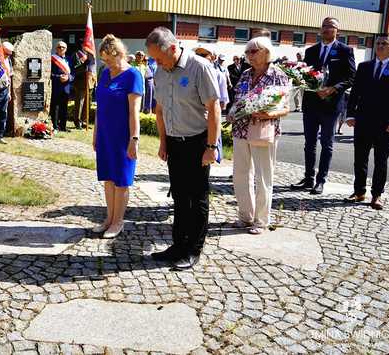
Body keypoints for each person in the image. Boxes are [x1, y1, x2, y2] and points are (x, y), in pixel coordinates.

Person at [147, 27, 221, 270]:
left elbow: (214, 109)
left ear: (172, 48)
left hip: (197, 142)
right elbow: (159, 110)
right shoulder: (161, 70)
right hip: (174, 143)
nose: (155, 63)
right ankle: (178, 245)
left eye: (158, 57)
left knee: (197, 198)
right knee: (179, 197)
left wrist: (211, 146)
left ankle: (193, 249)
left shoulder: (199, 67)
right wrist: (163, 142)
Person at [228, 37, 291, 234]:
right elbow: (238, 99)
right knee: (240, 174)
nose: (249, 56)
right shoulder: (246, 74)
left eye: (253, 51)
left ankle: (261, 221)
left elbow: (286, 108)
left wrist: (268, 114)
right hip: (240, 129)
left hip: (263, 130)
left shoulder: (278, 75)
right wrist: (232, 112)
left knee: (263, 177)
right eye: (247, 52)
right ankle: (245, 216)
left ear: (266, 52)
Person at [291, 17, 355, 195]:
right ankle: (308, 178)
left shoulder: (345, 51)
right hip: (311, 104)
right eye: (324, 26)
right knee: (309, 143)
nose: (326, 29)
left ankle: (321, 181)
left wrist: (333, 89)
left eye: (331, 26)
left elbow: (351, 77)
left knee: (327, 144)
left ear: (337, 31)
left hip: (331, 105)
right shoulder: (311, 50)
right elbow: (304, 75)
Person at [92, 34, 144, 239]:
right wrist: (96, 133)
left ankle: (118, 222)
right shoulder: (106, 74)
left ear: (119, 54)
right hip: (105, 134)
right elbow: (100, 108)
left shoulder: (133, 75)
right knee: (108, 178)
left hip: (123, 136)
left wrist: (134, 139)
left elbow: (134, 112)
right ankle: (108, 218)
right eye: (103, 60)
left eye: (108, 59)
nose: (106, 64)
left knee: (121, 180)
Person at [345, 34, 389, 210]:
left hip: (385, 124)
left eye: (385, 43)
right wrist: (350, 115)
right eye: (378, 43)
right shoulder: (364, 66)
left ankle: (377, 195)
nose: (381, 46)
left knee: (381, 161)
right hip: (363, 121)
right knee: (360, 159)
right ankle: (359, 192)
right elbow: (355, 92)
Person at [70, 40, 94, 129]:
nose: (87, 45)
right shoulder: (76, 54)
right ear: (81, 45)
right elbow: (74, 69)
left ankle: (85, 121)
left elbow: (93, 67)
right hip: (80, 82)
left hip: (90, 82)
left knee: (88, 103)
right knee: (80, 103)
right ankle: (77, 121)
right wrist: (83, 66)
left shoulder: (91, 54)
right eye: (85, 44)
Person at [50, 41, 73, 131]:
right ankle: (55, 126)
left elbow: (73, 73)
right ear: (56, 48)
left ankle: (63, 126)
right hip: (56, 86)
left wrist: (68, 78)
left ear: (66, 49)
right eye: (59, 47)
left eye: (63, 47)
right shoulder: (52, 59)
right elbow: (49, 73)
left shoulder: (69, 59)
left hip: (66, 87)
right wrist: (58, 77)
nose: (61, 49)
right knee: (55, 107)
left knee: (64, 107)